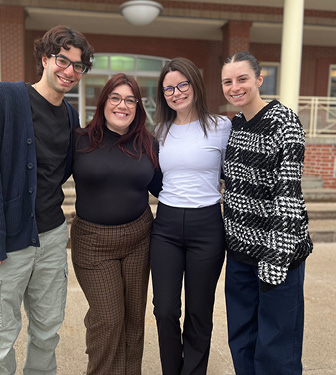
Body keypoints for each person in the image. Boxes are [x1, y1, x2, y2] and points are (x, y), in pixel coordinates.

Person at [0, 25, 94, 374]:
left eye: (77, 66)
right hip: (7, 241)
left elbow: (60, 173)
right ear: (45, 59)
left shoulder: (69, 115)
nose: (69, 71)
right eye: (62, 60)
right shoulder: (5, 98)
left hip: (51, 238)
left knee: (47, 331)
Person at [221, 51, 313, 375]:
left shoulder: (284, 122)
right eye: (228, 81)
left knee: (276, 349)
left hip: (277, 256)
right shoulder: (236, 125)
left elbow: (288, 193)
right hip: (240, 255)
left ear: (260, 79)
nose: (235, 87)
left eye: (242, 78)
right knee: (242, 340)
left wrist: (275, 264)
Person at [70, 73, 162, 375]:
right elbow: (45, 176)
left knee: (134, 320)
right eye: (116, 97)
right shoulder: (80, 139)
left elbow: (165, 188)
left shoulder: (149, 144)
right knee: (108, 319)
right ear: (104, 101)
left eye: (130, 100)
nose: (123, 105)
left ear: (138, 106)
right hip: (93, 243)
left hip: (139, 238)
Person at [150, 57, 232, 375]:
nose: (176, 92)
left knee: (199, 311)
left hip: (207, 226)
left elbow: (231, 174)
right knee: (165, 310)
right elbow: (157, 178)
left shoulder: (221, 127)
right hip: (167, 227)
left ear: (195, 85)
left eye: (182, 84)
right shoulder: (160, 130)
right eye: (169, 87)